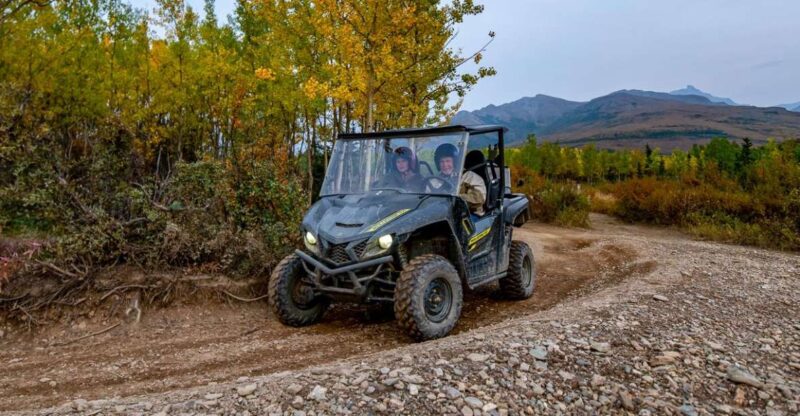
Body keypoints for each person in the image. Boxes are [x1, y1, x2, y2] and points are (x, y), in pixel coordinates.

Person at [434, 143, 486, 217]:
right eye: (442, 162)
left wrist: (454, 198)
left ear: (454, 162)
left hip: (470, 215)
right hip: (442, 214)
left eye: (448, 161)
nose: (445, 165)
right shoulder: (435, 179)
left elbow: (479, 199)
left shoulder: (470, 177)